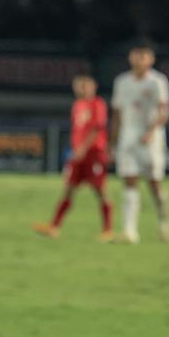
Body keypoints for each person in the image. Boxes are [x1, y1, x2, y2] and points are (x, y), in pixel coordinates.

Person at [33, 74, 113, 240]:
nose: (81, 88)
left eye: (85, 85)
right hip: (78, 154)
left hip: (93, 152)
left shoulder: (98, 104)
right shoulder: (77, 105)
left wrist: (83, 148)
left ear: (94, 86)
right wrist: (76, 149)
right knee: (68, 189)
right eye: (78, 85)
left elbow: (97, 128)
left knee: (100, 190)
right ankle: (54, 227)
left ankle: (107, 230)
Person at [110, 43, 169, 243]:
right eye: (136, 55)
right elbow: (117, 114)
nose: (139, 59)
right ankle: (130, 231)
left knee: (154, 183)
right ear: (130, 57)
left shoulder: (157, 81)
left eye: (143, 56)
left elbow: (164, 111)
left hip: (150, 138)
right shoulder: (122, 82)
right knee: (129, 180)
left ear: (151, 59)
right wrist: (113, 142)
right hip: (128, 137)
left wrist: (151, 132)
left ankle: (163, 221)